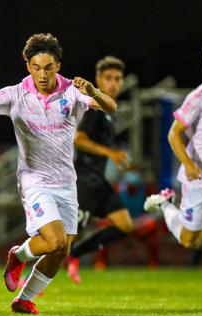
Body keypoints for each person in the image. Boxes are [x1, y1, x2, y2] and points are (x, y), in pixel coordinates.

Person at [0, 33, 117, 314]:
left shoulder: (73, 92)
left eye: (48, 67)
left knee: (61, 250)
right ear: (28, 67)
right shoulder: (16, 95)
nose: (42, 74)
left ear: (58, 65)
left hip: (66, 182)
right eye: (36, 67)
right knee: (53, 240)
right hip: (34, 179)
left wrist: (92, 91)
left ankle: (23, 298)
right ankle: (18, 256)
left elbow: (111, 106)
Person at [144, 36, 202, 250]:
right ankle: (165, 205)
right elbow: (174, 134)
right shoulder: (200, 96)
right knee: (189, 240)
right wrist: (190, 166)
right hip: (199, 177)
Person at [61, 56, 134, 283]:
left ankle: (75, 255)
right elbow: (79, 140)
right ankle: (28, 276)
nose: (113, 83)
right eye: (108, 78)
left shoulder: (108, 112)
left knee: (124, 225)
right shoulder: (95, 110)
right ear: (98, 79)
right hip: (83, 180)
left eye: (118, 78)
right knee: (63, 240)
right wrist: (109, 153)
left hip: (98, 181)